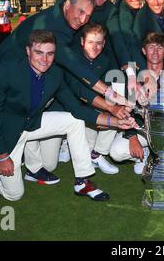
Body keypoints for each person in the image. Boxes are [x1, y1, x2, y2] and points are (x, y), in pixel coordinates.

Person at [0, 30, 137, 202]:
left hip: (31, 125)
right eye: (39, 52)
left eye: (50, 54)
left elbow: (77, 109)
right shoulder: (7, 70)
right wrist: (2, 156)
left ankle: (82, 181)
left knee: (74, 121)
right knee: (14, 195)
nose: (44, 59)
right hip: (5, 135)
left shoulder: (55, 74)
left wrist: (117, 122)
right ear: (28, 51)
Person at [0, 0, 129, 107]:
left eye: (88, 15)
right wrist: (110, 93)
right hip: (10, 67)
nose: (83, 20)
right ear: (67, 5)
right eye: (80, 12)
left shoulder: (62, 16)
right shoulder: (54, 26)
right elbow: (72, 64)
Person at [27, 22, 130, 174]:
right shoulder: (71, 59)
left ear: (103, 44)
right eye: (90, 42)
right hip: (61, 109)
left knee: (117, 106)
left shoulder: (105, 60)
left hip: (83, 107)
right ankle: (42, 146)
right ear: (82, 42)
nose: (95, 47)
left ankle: (96, 153)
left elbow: (108, 89)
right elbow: (79, 90)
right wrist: (109, 108)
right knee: (48, 165)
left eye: (99, 43)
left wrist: (114, 109)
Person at [110, 32, 164, 174]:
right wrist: (132, 137)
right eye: (151, 47)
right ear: (144, 51)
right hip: (142, 129)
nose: (155, 52)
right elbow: (125, 109)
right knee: (116, 152)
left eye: (160, 48)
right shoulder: (135, 77)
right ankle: (145, 153)